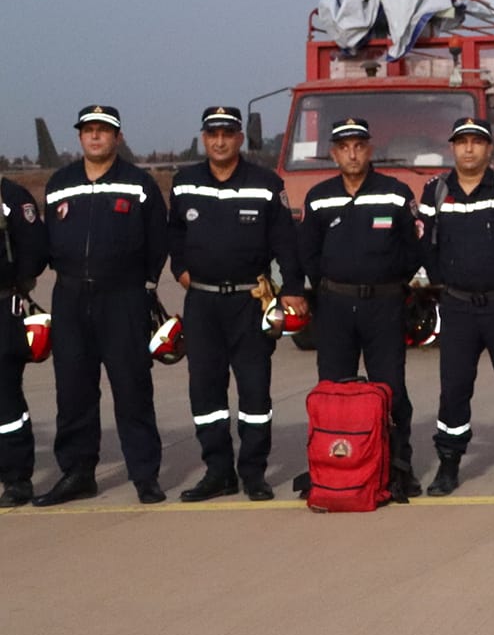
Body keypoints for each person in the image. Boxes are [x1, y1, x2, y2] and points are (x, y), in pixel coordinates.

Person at [32, 105, 169, 506]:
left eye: (103, 131)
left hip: (123, 298)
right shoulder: (59, 183)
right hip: (71, 298)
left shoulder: (138, 184)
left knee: (132, 388)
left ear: (117, 137)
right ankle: (77, 473)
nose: (95, 137)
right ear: (79, 137)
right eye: (89, 130)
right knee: (73, 390)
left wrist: (144, 286)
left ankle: (145, 475)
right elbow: (48, 241)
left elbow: (157, 241)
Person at [168, 105, 306, 502]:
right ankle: (218, 471)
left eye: (228, 133)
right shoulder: (185, 182)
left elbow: (286, 243)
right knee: (206, 392)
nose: (220, 140)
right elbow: (173, 234)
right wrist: (179, 269)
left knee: (255, 393)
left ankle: (253, 473)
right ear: (205, 137)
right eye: (213, 133)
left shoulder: (265, 183)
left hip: (250, 303)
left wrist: (293, 289)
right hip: (203, 304)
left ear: (239, 138)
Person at [417, 116, 494, 496]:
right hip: (457, 308)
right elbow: (424, 246)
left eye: (476, 141)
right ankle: (449, 466)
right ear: (452, 147)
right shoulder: (435, 191)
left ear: (489, 149)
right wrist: (449, 282)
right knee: (454, 388)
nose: (469, 148)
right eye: (462, 141)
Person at [300, 115, 423, 497]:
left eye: (359, 146)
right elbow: (308, 252)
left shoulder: (396, 193)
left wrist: (391, 281)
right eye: (344, 147)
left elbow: (414, 248)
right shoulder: (318, 196)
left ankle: (398, 468)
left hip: (383, 305)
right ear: (333, 154)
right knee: (333, 391)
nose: (352, 154)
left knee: (391, 390)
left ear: (369, 150)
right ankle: (332, 467)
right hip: (335, 306)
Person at [1, 171, 51, 507]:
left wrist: (15, 284)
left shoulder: (13, 198)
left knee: (4, 400)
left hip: (2, 305)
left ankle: (17, 479)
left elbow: (34, 249)